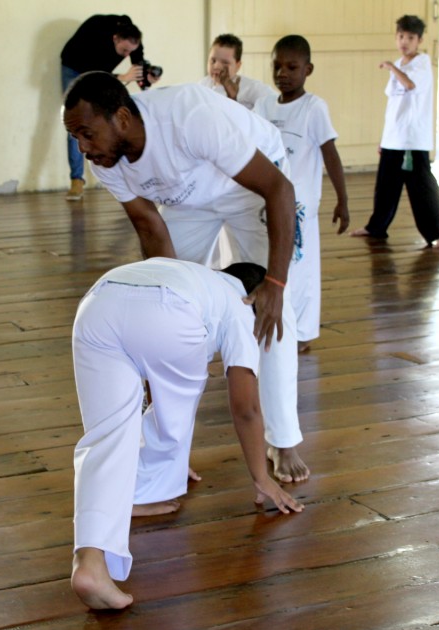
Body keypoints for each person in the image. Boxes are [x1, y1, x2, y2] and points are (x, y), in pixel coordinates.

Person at [62, 72, 310, 484]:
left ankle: (283, 440)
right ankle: (167, 449)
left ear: (122, 118)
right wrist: (177, 320)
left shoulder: (188, 118)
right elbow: (149, 227)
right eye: (75, 138)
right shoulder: (107, 157)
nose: (83, 149)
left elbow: (279, 188)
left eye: (87, 134)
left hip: (254, 187)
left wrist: (277, 285)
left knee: (273, 311)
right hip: (192, 200)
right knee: (163, 317)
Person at [71, 257, 305, 609]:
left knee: (105, 436)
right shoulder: (241, 305)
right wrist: (262, 478)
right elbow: (246, 408)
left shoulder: (197, 278)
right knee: (174, 415)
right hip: (169, 310)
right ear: (256, 296)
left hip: (97, 303)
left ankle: (89, 562)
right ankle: (141, 492)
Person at [255, 35, 350, 353]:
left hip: (299, 204)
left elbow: (330, 154)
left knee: (299, 267)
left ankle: (303, 332)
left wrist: (343, 199)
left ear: (307, 69)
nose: (282, 73)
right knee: (266, 261)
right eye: (277, 66)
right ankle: (266, 319)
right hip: (265, 199)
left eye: (291, 67)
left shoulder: (313, 108)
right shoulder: (265, 105)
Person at [348, 16, 439, 249]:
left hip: (413, 140)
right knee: (385, 186)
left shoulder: (421, 63)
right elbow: (394, 107)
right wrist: (384, 139)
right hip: (394, 138)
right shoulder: (400, 63)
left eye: (411, 38)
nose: (405, 41)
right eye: (401, 36)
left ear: (420, 40)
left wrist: (392, 68)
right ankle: (376, 227)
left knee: (422, 188)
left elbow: (410, 85)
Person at [60, 15, 150, 201]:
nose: (126, 55)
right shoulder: (97, 35)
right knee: (77, 126)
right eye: (124, 50)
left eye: (130, 51)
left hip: (98, 70)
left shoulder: (132, 40)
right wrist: (122, 77)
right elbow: (93, 76)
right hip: (75, 65)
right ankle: (77, 179)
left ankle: (126, 174)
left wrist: (146, 80)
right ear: (115, 38)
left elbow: (138, 65)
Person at [198, 33, 274, 111]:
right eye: (213, 61)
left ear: (238, 65)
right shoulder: (202, 85)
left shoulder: (250, 87)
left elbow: (275, 102)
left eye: (225, 63)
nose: (216, 66)